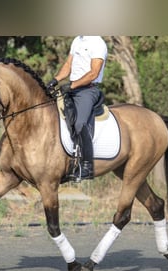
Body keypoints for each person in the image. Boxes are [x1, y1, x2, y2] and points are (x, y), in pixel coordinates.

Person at [47, 36, 108, 180]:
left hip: (88, 90)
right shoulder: (77, 40)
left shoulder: (98, 43)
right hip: (72, 87)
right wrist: (55, 80)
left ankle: (87, 166)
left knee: (80, 123)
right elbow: (68, 64)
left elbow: (94, 73)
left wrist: (72, 85)